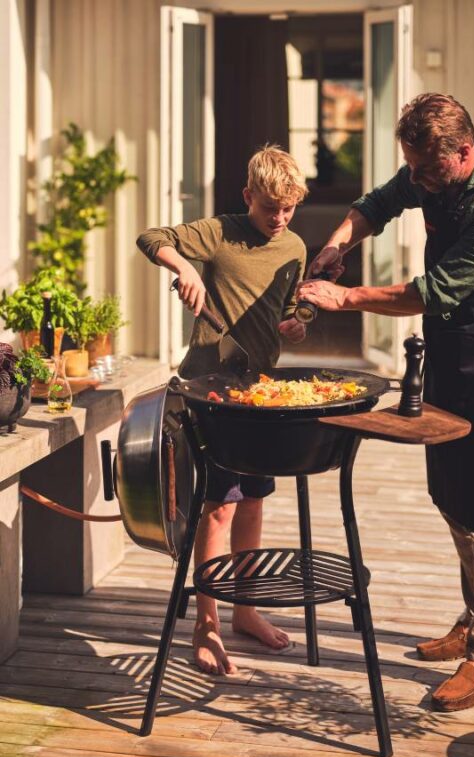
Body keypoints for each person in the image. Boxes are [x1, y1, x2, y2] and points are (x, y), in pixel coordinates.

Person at [297, 93, 474, 711]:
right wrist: (336, 248)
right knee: (454, 497)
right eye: (413, 169)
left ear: (465, 152)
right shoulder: (425, 172)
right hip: (452, 358)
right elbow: (375, 206)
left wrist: (343, 297)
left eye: (429, 171)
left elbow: (429, 292)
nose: (419, 182)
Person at [137, 145, 308, 675]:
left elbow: (290, 307)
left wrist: (299, 320)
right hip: (210, 390)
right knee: (218, 507)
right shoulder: (221, 231)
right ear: (247, 197)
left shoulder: (295, 246)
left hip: (259, 392)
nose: (278, 220)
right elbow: (151, 238)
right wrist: (186, 267)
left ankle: (245, 610)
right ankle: (205, 625)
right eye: (268, 209)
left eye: (288, 210)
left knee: (253, 501)